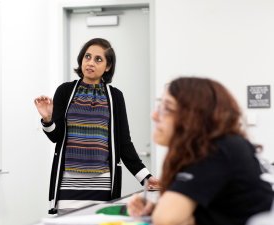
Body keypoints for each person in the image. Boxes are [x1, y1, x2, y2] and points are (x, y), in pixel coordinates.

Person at [34, 38, 159, 214]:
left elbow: (124, 144)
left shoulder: (115, 97)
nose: (90, 62)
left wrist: (145, 177)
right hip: (68, 184)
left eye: (98, 59)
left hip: (102, 184)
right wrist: (47, 119)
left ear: (108, 66)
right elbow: (56, 136)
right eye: (87, 57)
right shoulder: (65, 91)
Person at [127, 77, 274, 225]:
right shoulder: (224, 144)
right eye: (159, 107)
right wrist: (159, 208)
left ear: (194, 116)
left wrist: (167, 211)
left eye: (168, 108)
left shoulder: (217, 149)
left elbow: (166, 219)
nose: (155, 115)